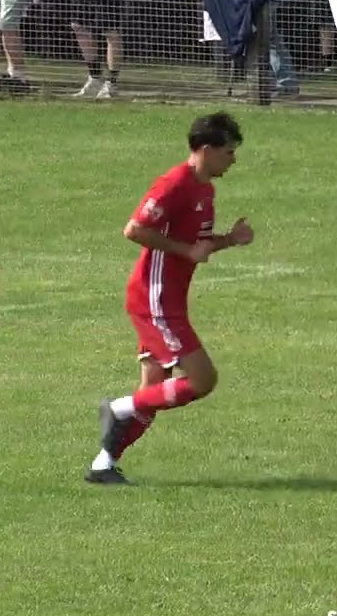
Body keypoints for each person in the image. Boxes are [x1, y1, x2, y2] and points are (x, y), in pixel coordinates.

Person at [86, 113, 255, 485]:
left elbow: (198, 246)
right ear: (206, 150)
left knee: (155, 391)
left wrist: (230, 239)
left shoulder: (206, 191)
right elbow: (134, 229)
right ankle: (117, 408)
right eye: (228, 152)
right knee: (202, 379)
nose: (233, 159)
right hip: (155, 300)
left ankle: (102, 465)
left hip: (169, 299)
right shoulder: (174, 184)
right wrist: (184, 250)